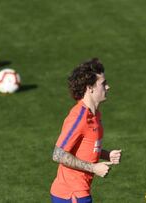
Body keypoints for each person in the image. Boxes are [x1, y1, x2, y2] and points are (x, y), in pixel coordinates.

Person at [50, 58, 122, 203]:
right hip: (70, 194)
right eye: (103, 84)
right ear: (90, 88)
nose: (108, 87)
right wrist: (94, 168)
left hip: (78, 192)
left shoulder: (95, 115)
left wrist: (106, 154)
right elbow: (58, 154)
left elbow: (85, 147)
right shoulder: (79, 118)